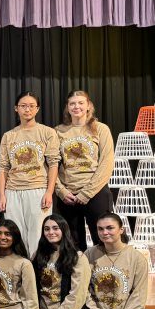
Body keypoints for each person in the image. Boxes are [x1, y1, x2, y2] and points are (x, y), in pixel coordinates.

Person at [0, 91, 59, 252]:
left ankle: (37, 272)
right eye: (23, 106)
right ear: (16, 109)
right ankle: (19, 270)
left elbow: (53, 163)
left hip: (37, 189)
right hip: (13, 191)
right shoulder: (8, 136)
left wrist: (49, 192)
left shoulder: (47, 132)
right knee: (15, 234)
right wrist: (2, 195)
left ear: (37, 109)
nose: (27, 110)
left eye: (31, 106)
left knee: (38, 234)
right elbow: (3, 166)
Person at [55, 90, 116, 250]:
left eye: (81, 103)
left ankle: (103, 273)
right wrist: (61, 191)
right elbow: (51, 165)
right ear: (67, 107)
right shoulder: (57, 131)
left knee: (103, 239)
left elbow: (107, 163)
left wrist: (87, 193)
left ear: (88, 105)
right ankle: (77, 274)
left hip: (95, 193)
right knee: (72, 244)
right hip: (68, 196)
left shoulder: (100, 129)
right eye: (72, 103)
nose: (77, 107)